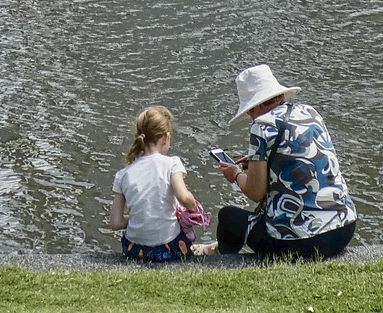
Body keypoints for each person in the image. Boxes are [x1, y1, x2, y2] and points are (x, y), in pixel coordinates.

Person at [197, 64, 356, 261]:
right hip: (344, 228)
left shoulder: (261, 126)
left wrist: (236, 174)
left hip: (303, 242)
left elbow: (256, 193)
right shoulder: (310, 112)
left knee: (228, 216)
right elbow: (300, 157)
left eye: (249, 112)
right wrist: (263, 163)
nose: (250, 117)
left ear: (255, 106)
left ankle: (222, 257)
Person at [109, 105, 202, 262]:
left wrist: (142, 216)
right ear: (166, 137)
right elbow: (184, 198)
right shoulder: (172, 164)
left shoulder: (123, 174)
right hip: (168, 247)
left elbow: (115, 223)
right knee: (185, 230)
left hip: (134, 249)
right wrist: (195, 210)